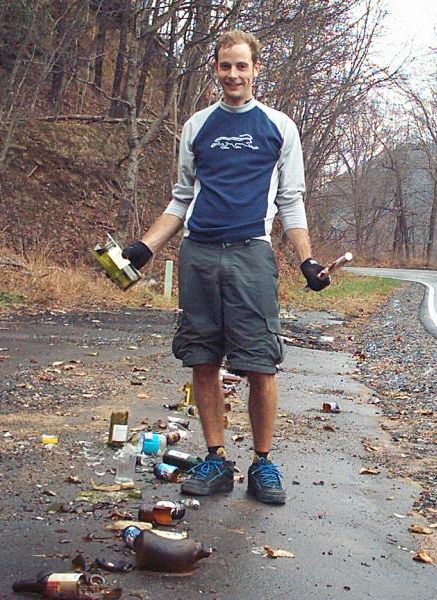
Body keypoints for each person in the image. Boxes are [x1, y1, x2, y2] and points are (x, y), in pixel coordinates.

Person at [121, 29, 329, 505]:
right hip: (198, 253)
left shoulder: (279, 127)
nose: (232, 74)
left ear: (256, 69)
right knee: (202, 357)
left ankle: (263, 463)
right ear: (215, 69)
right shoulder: (196, 127)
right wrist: (145, 247)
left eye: (241, 66)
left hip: (250, 254)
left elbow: (292, 203)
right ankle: (216, 457)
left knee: (260, 363)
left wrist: (307, 261)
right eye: (224, 66)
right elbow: (180, 199)